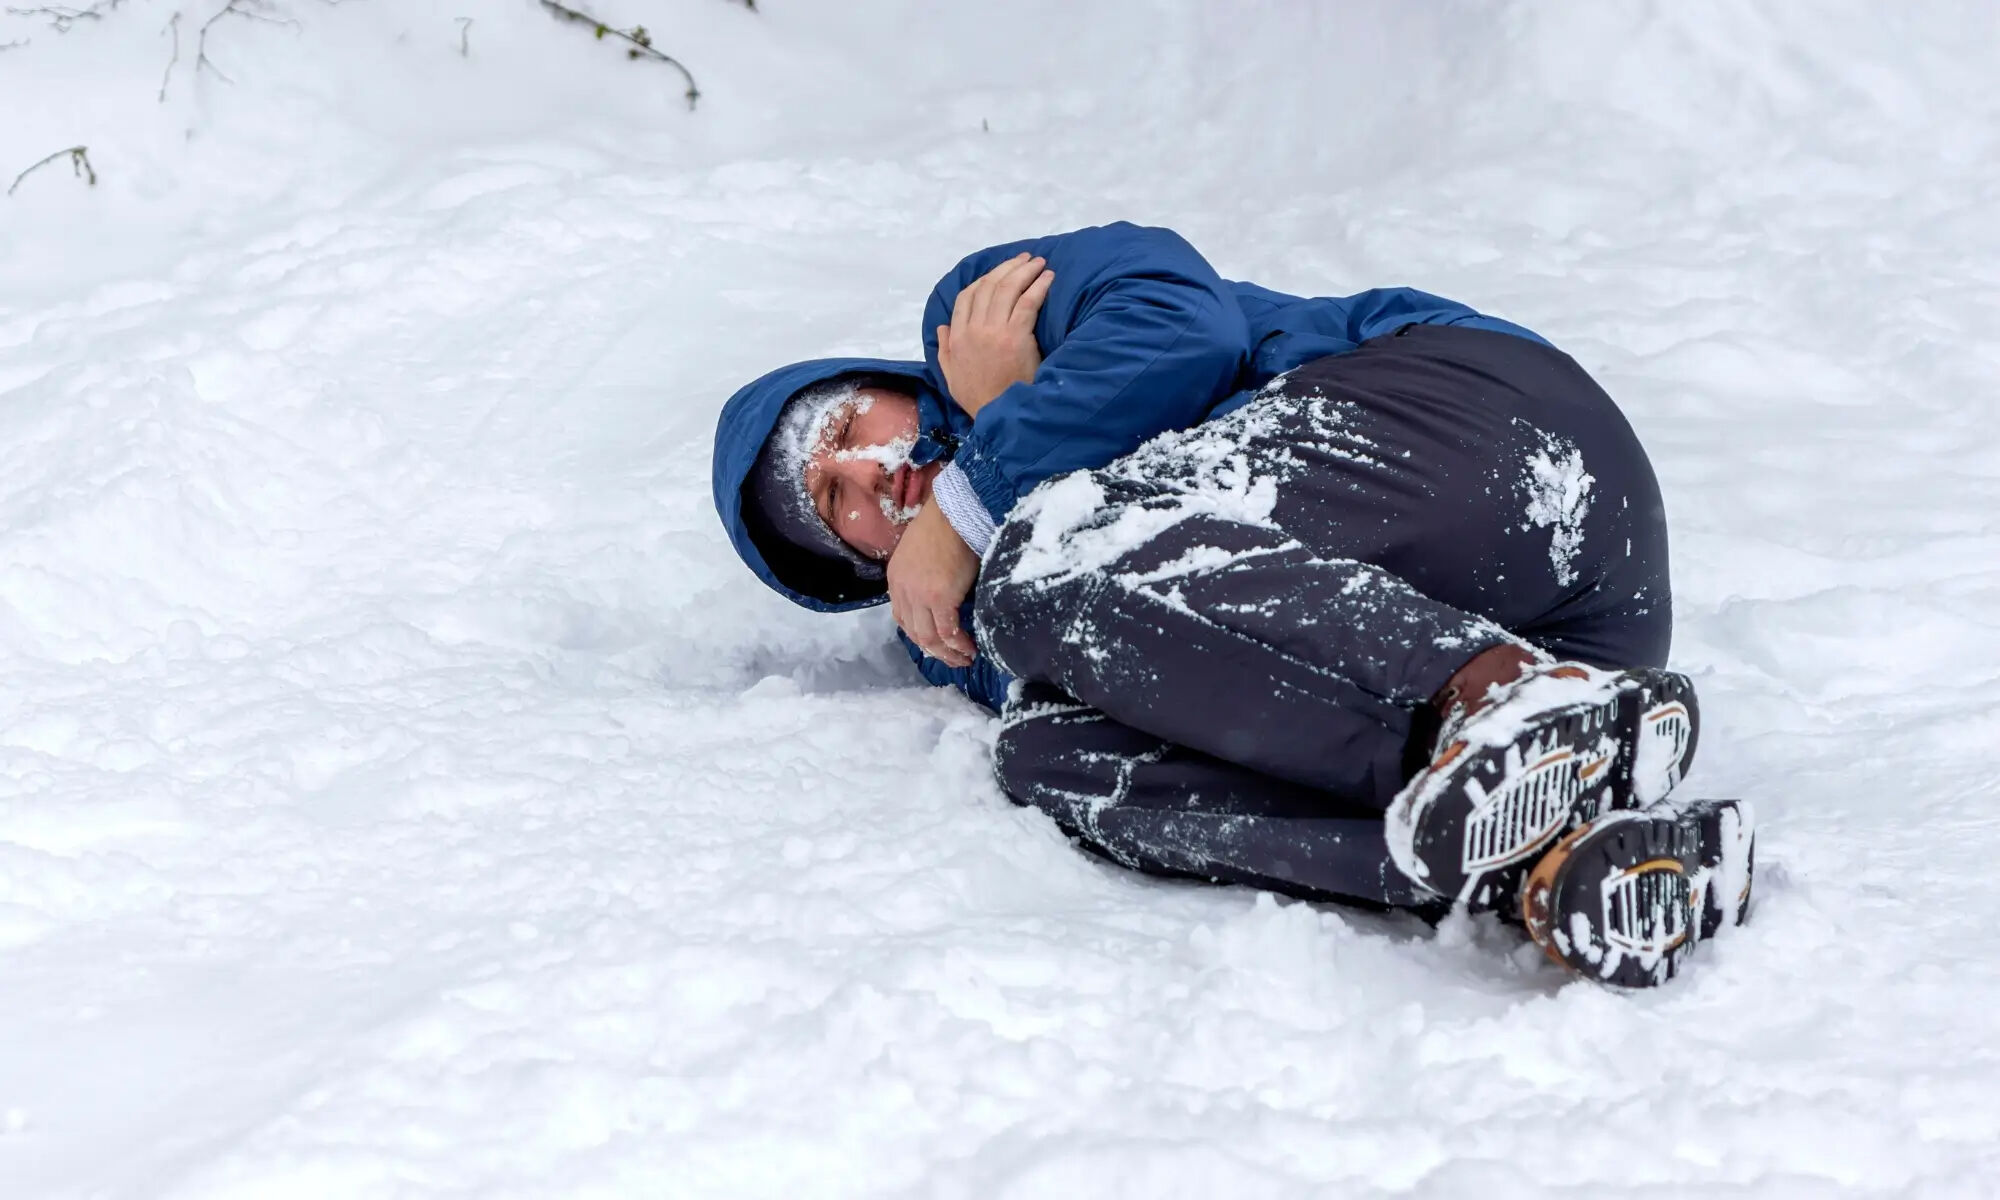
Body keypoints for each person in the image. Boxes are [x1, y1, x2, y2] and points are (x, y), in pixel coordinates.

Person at [710, 222, 1755, 988]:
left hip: (1478, 427)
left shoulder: (984, 309)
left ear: (880, 380)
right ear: (859, 567)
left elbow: (1180, 325)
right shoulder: (972, 624)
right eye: (834, 499)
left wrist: (983, 477)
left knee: (1044, 564)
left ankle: (1491, 700)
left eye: (848, 424)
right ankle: (1539, 853)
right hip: (1576, 642)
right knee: (1051, 757)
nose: (870, 467)